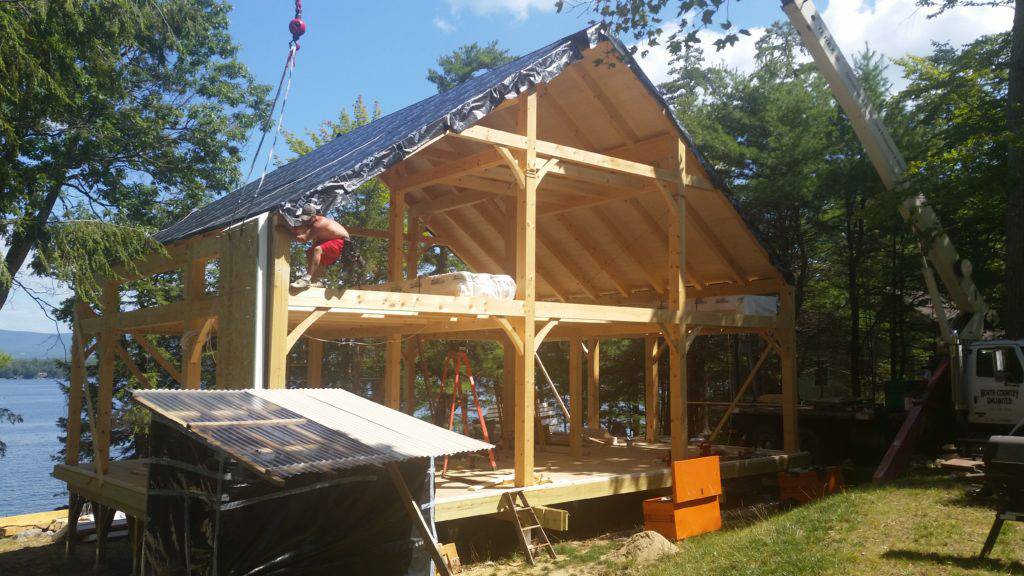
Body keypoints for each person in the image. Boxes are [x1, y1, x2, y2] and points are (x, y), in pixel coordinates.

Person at [281, 204, 350, 289]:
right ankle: (318, 281)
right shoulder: (309, 222)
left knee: (317, 250)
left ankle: (306, 279)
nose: (305, 221)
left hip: (342, 242)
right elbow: (301, 232)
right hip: (330, 240)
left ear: (314, 217)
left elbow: (303, 239)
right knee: (310, 252)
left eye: (307, 218)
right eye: (303, 218)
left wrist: (285, 232)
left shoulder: (319, 224)